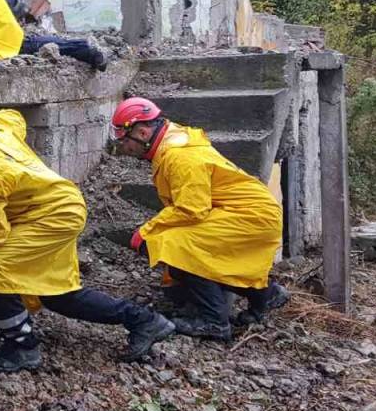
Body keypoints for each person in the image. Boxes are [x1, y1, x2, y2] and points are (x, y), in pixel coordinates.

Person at [0, 105, 174, 372]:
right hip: (59, 204)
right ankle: (144, 321)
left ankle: (21, 346)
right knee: (56, 294)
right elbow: (14, 118)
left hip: (50, 217)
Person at [108, 97, 290, 341]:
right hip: (249, 212)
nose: (124, 148)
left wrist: (147, 230)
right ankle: (265, 295)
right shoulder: (172, 143)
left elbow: (192, 209)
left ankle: (214, 322)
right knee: (180, 245)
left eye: (125, 141)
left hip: (250, 216)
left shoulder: (179, 157)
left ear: (142, 132)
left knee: (173, 245)